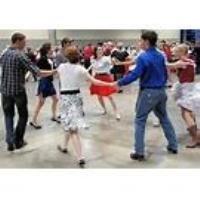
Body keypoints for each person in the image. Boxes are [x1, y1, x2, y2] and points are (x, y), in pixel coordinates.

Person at [109, 31, 178, 161]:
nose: (138, 43)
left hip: (148, 92)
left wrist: (119, 83)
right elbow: (165, 72)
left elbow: (135, 75)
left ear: (146, 42)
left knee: (140, 120)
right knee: (164, 118)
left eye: (140, 41)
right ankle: (173, 145)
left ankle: (139, 151)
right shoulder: (160, 55)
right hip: (161, 91)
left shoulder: (143, 57)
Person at [55, 46, 113, 167]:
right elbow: (95, 81)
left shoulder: (61, 67)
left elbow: (54, 74)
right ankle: (64, 146)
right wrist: (111, 83)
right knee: (70, 124)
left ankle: (80, 156)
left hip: (65, 98)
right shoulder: (80, 69)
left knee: (73, 128)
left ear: (66, 56)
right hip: (76, 98)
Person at [0, 32, 54, 151]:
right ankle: (18, 141)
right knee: (23, 115)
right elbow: (37, 72)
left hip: (4, 91)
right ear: (18, 41)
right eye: (24, 42)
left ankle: (10, 141)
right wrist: (53, 72)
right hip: (18, 91)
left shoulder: (4, 53)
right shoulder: (20, 55)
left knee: (8, 115)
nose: (25, 44)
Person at [170, 44, 200, 148]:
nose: (174, 53)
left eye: (176, 51)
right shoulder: (190, 61)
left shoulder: (183, 62)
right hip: (189, 87)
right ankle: (196, 133)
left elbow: (169, 66)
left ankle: (195, 138)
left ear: (182, 52)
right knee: (189, 112)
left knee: (185, 113)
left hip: (187, 89)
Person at [30, 43, 59, 129]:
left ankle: (54, 115)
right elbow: (37, 71)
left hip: (49, 81)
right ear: (47, 49)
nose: (52, 49)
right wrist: (52, 72)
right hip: (44, 82)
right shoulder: (42, 59)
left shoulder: (48, 58)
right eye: (51, 48)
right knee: (41, 102)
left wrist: (54, 72)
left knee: (56, 99)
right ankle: (33, 120)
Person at [89, 46, 120, 120]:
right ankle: (104, 109)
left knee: (109, 96)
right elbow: (93, 69)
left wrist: (113, 62)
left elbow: (112, 65)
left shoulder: (106, 58)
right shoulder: (92, 59)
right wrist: (92, 78)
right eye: (98, 49)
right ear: (95, 51)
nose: (100, 51)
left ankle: (116, 112)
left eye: (101, 49)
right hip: (97, 77)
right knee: (99, 96)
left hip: (105, 77)